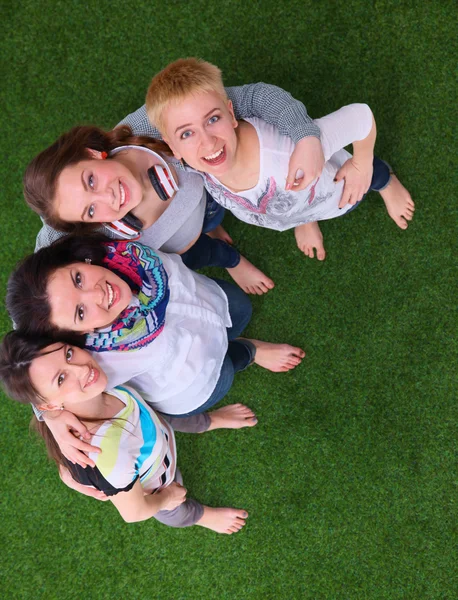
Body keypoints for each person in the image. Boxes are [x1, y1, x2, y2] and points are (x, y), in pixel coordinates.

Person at [7, 235, 305, 466]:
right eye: (81, 312)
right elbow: (38, 379)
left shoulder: (113, 246)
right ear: (73, 335)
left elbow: (53, 205)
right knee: (228, 367)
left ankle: (241, 343)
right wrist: (50, 416)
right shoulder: (92, 366)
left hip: (209, 301)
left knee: (240, 309)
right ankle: (250, 351)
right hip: (195, 380)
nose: (98, 293)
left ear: (75, 259)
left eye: (78, 278)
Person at [145, 58, 415, 260]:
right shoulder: (194, 164)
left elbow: (361, 117)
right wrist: (301, 219)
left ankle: (386, 182)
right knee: (294, 205)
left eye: (213, 119)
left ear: (230, 113)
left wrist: (361, 164)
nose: (207, 141)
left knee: (372, 177)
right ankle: (305, 220)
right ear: (173, 147)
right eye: (187, 133)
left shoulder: (288, 147)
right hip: (295, 210)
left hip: (341, 188)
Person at [0, 331, 256, 533]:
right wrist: (166, 498)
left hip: (152, 424)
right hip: (159, 482)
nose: (82, 369)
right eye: (61, 379)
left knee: (171, 416)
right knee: (174, 512)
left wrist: (51, 419)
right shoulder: (106, 451)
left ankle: (210, 421)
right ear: (47, 404)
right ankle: (203, 516)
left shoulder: (94, 382)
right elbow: (134, 513)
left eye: (68, 354)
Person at [26, 125, 273, 295]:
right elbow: (36, 276)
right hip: (181, 251)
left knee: (213, 215)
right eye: (90, 210)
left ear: (91, 153)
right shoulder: (111, 236)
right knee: (209, 253)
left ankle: (212, 226)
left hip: (204, 203)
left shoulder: (147, 131)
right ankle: (232, 260)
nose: (107, 197)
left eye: (90, 181)